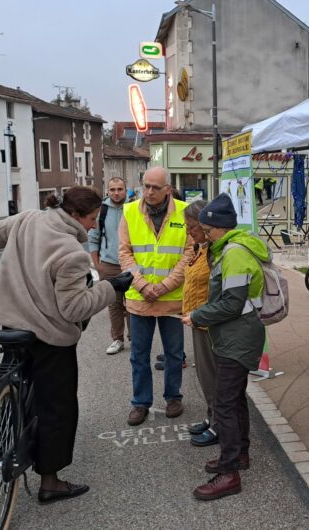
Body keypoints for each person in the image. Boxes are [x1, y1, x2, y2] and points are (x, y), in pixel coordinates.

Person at [0, 186, 133, 503]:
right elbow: (74, 309)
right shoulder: (71, 252)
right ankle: (50, 482)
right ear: (76, 215)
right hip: (49, 337)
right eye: (92, 219)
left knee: (8, 389)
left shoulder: (26, 220)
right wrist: (111, 287)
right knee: (58, 406)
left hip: (11, 323)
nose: (93, 226)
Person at [181, 193, 268, 501]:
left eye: (204, 227)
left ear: (215, 226)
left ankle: (229, 473)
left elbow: (232, 303)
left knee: (225, 402)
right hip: (234, 335)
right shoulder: (228, 249)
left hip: (237, 337)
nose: (201, 233)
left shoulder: (233, 254)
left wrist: (197, 315)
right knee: (234, 399)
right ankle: (239, 455)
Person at [119, 166, 192, 426]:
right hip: (140, 298)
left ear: (167, 190)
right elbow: (125, 253)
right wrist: (142, 285)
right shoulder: (129, 212)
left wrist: (165, 285)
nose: (148, 192)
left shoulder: (184, 212)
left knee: (174, 353)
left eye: (155, 187)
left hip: (171, 297)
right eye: (145, 186)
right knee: (139, 354)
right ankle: (141, 403)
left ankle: (174, 397)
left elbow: (189, 252)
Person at [180, 200, 218, 447]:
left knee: (213, 377)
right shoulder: (201, 247)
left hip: (209, 323)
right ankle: (211, 416)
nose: (188, 233)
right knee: (205, 376)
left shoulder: (216, 251)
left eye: (192, 227)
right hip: (198, 320)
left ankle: (218, 426)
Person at [89, 177, 131, 355]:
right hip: (109, 264)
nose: (116, 193)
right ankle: (117, 339)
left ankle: (135, 339)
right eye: (112, 189)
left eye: (119, 189)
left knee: (132, 304)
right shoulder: (101, 211)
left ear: (125, 190)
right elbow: (93, 238)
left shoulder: (134, 208)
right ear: (107, 191)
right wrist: (98, 266)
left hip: (130, 263)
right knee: (114, 304)